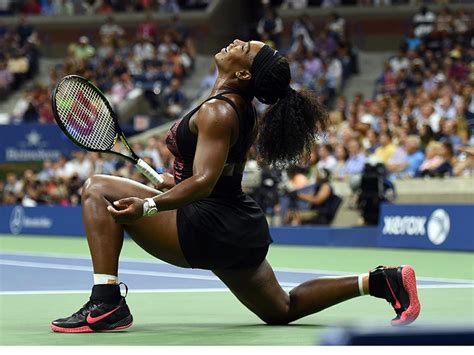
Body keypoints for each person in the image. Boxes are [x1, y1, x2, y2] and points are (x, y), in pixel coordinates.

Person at [50, 39, 420, 333]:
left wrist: (149, 206)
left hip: (204, 223)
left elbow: (205, 182)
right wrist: (173, 183)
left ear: (244, 75)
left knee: (96, 188)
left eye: (244, 49)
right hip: (235, 226)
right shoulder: (234, 108)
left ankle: (106, 301)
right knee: (282, 309)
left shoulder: (219, 111)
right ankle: (380, 282)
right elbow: (212, 175)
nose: (236, 42)